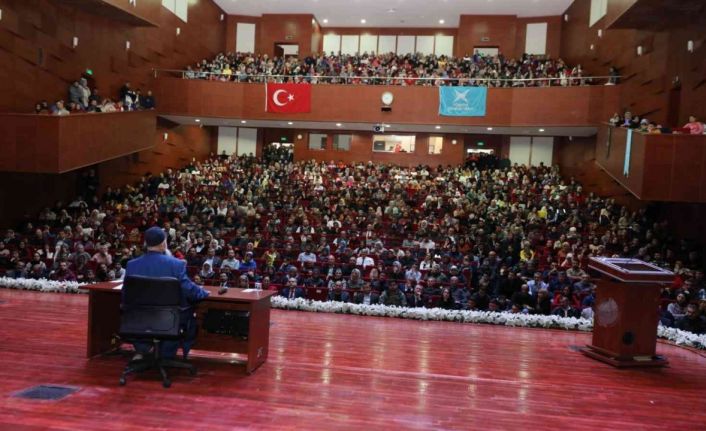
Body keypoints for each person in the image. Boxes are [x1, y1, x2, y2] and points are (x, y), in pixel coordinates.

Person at [124, 226, 209, 360]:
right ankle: (166, 354)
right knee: (191, 314)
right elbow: (189, 290)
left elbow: (126, 294)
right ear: (164, 243)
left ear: (145, 244)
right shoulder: (177, 264)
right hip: (169, 319)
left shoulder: (131, 265)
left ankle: (143, 349)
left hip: (139, 317)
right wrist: (203, 293)